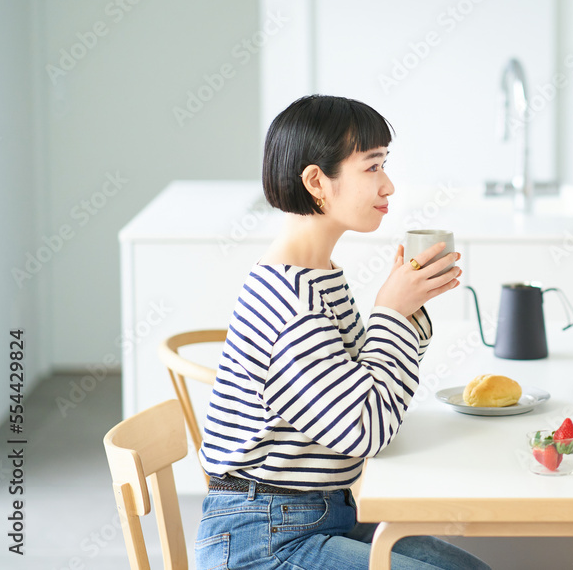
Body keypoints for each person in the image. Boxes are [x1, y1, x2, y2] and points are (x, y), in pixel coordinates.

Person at [195, 95, 490, 570]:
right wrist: (392, 312)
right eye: (372, 167)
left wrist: (404, 311)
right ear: (317, 181)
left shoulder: (317, 273)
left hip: (315, 515)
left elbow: (366, 398)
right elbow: (366, 429)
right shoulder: (290, 301)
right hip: (262, 539)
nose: (388, 184)